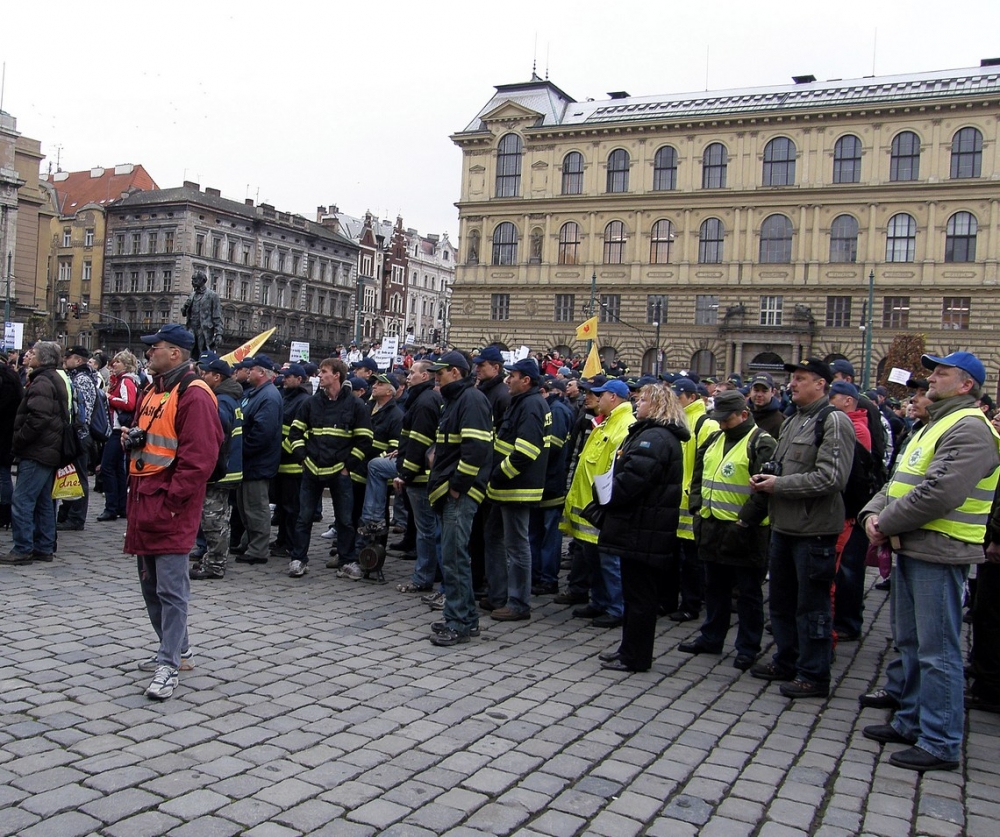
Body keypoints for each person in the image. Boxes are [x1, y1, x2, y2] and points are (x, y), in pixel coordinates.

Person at [859, 351, 1000, 771]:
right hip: (913, 545)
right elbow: (898, 480)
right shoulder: (935, 424)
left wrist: (884, 522)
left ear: (966, 385)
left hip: (941, 550)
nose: (932, 378)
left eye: (942, 373)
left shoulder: (970, 428)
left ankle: (940, 741)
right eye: (932, 371)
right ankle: (910, 720)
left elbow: (941, 492)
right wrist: (872, 514)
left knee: (938, 650)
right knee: (912, 643)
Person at [126, 325, 223, 700]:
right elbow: (153, 440)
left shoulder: (194, 394)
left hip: (168, 507)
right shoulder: (154, 389)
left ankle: (168, 664)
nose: (149, 353)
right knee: (152, 587)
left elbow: (199, 461)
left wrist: (171, 503)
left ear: (176, 354)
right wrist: (130, 440)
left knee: (170, 591)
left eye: (156, 347)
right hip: (145, 501)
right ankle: (178, 652)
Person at [750, 357, 855, 699]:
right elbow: (785, 466)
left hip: (813, 530)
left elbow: (831, 478)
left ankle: (813, 673)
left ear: (821, 384)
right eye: (792, 379)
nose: (792, 384)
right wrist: (767, 477)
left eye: (801, 379)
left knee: (812, 607)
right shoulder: (794, 419)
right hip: (785, 525)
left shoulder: (833, 421)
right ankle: (787, 659)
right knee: (781, 602)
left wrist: (779, 485)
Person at [597, 384, 688, 672]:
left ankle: (635, 657)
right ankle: (629, 649)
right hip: (643, 525)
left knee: (640, 597)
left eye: (644, 400)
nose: (639, 404)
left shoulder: (655, 438)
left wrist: (606, 492)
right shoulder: (653, 434)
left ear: (657, 405)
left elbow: (633, 480)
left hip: (644, 527)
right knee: (635, 593)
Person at [684, 389, 777, 670]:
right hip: (711, 525)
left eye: (727, 419)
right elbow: (699, 475)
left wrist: (745, 520)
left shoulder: (761, 442)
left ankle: (747, 647)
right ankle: (711, 637)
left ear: (743, 415)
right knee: (715, 588)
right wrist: (696, 506)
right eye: (720, 418)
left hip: (745, 531)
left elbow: (764, 490)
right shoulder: (714, 439)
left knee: (747, 593)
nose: (722, 423)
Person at [426, 350, 493, 646]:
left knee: (454, 558)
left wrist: (457, 485)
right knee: (454, 557)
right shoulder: (457, 399)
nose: (436, 379)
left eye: (440, 373)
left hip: (460, 492)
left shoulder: (471, 399)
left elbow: (475, 449)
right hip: (451, 489)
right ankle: (465, 617)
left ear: (455, 372)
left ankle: (458, 622)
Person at [287, 357, 373, 578]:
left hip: (340, 472)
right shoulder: (311, 403)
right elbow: (294, 434)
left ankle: (346, 561)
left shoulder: (355, 405)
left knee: (345, 520)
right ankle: (298, 559)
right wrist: (303, 459)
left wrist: (347, 467)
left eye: (324, 371)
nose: (320, 375)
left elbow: (365, 440)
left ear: (337, 375)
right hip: (312, 469)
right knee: (304, 517)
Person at [562, 378, 634, 628]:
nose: (594, 398)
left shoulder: (624, 425)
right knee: (594, 559)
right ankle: (600, 601)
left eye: (600, 395)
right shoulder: (606, 422)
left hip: (603, 506)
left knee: (609, 561)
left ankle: (616, 607)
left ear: (613, 397)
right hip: (590, 506)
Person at [482, 358, 551, 621]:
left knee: (517, 546)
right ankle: (498, 595)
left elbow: (526, 452)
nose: (508, 380)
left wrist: (498, 474)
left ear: (526, 380)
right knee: (494, 538)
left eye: (513, 376)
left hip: (516, 489)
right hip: (505, 489)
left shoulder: (532, 405)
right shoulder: (522, 402)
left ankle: (519, 603)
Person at [1, 343, 68, 564]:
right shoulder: (52, 377)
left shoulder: (42, 381)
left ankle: (23, 548)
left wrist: (20, 437)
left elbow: (39, 416)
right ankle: (43, 546)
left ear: (43, 358)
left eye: (33, 353)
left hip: (37, 449)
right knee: (43, 501)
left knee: (23, 499)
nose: (28, 356)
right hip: (47, 448)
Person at [667, 377, 720, 622]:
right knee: (672, 557)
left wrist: (696, 494)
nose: (675, 400)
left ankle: (691, 604)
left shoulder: (704, 423)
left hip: (691, 502)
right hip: (673, 499)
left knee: (692, 560)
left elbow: (709, 463)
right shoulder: (675, 420)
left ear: (692, 397)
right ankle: (669, 600)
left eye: (679, 396)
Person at [391, 362, 445, 594]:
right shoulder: (424, 399)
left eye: (413, 372)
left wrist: (406, 473)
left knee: (426, 530)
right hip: (421, 473)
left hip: (420, 476)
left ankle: (423, 577)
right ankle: (433, 572)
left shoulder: (424, 402)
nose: (408, 376)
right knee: (430, 529)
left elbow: (419, 442)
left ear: (425, 376)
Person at [190, 354, 244, 580]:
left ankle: (215, 564)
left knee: (213, 520)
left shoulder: (221, 400)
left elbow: (215, 431)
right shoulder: (229, 397)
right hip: (228, 468)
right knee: (218, 517)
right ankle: (213, 558)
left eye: (206, 374)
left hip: (222, 470)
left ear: (217, 377)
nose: (202, 377)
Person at [233, 356, 283, 566]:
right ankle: (249, 542)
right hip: (249, 461)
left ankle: (258, 549)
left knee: (256, 507)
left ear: (262, 372)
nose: (248, 372)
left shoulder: (268, 396)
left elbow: (262, 432)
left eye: (251, 369)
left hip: (257, 461)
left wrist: (243, 450)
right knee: (246, 506)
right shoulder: (256, 393)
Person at [530, 376, 574, 595]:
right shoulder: (553, 408)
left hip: (550, 482)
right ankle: (536, 575)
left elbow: (552, 448)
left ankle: (547, 578)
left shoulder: (556, 411)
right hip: (544, 482)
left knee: (548, 535)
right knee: (537, 533)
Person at [271, 363, 312, 558]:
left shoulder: (304, 401)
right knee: (281, 506)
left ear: (299, 379)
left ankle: (290, 543)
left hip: (292, 464)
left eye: (288, 376)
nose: (284, 379)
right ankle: (281, 540)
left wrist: (284, 450)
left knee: (292, 507)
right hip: (280, 461)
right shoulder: (285, 397)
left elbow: (302, 433)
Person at [58, 345, 99, 531]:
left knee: (79, 477)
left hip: (79, 435)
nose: (65, 359)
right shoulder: (77, 376)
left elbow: (83, 410)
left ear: (78, 360)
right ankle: (67, 512)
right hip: (77, 433)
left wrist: (75, 430)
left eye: (69, 357)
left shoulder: (82, 379)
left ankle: (76, 517)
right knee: (71, 475)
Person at [97, 351, 140, 522]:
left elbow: (129, 403)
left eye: (118, 362)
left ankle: (112, 507)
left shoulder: (126, 381)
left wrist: (109, 397)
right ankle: (121, 506)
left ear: (126, 365)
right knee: (117, 469)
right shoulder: (124, 380)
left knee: (108, 467)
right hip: (118, 428)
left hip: (118, 429)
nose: (114, 364)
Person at [0, 357, 24, 529]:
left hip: (3, 432)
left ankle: (4, 511)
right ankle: (6, 510)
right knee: (4, 473)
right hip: (10, 433)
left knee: (3, 475)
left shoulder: (4, 381)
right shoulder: (13, 379)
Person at [182, 271, 223, 359]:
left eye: (195, 280)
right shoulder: (192, 295)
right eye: (192, 280)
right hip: (191, 328)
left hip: (205, 330)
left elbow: (217, 316)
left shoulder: (212, 295)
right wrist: (185, 307)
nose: (192, 282)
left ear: (202, 280)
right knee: (189, 351)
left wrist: (219, 333)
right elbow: (184, 313)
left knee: (203, 353)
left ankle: (202, 365)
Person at [748, 373, 784, 439]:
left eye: (764, 391)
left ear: (773, 392)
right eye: (756, 390)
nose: (759, 395)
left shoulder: (780, 422)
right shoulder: (742, 415)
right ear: (750, 390)